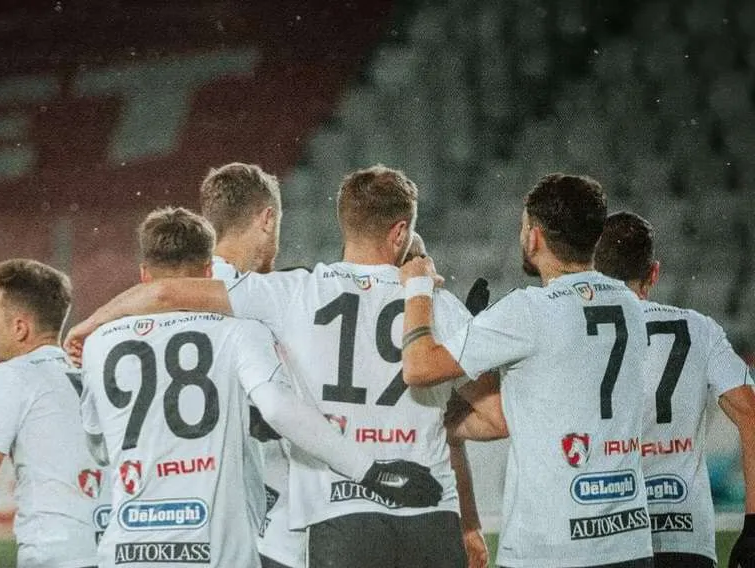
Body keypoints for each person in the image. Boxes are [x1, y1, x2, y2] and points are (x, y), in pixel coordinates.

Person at [65, 166, 481, 568]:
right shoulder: (259, 305)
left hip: (156, 533)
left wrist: (92, 323)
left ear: (144, 273)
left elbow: (160, 300)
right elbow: (278, 409)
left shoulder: (275, 294)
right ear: (267, 219)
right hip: (259, 531)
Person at [399, 173, 654, 567]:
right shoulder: (631, 306)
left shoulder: (527, 311)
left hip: (550, 546)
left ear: (534, 237)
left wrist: (418, 287)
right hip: (628, 543)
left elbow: (419, 366)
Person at [594, 211, 755, 568]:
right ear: (653, 273)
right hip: (685, 534)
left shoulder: (578, 332)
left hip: (605, 536)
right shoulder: (700, 329)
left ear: (595, 271)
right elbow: (752, 416)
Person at [0, 259, 105, 567]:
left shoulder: (14, 375)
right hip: (116, 550)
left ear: (20, 328)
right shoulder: (93, 372)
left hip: (57, 554)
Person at [200, 162, 299, 568]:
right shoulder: (277, 296)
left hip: (182, 518)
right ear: (268, 219)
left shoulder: (174, 294)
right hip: (262, 526)